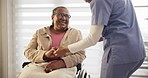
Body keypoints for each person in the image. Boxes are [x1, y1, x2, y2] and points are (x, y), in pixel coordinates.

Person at [53, 0, 146, 78]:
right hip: (136, 53)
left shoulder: (99, 1)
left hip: (120, 55)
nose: (85, 1)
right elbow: (120, 20)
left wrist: (65, 49)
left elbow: (91, 40)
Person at [18, 6, 86, 78]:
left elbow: (81, 54)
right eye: (61, 15)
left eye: (67, 16)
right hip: (40, 65)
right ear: (52, 17)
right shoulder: (40, 32)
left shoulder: (76, 33)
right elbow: (28, 51)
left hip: (64, 67)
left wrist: (62, 62)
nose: (64, 18)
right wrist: (45, 55)